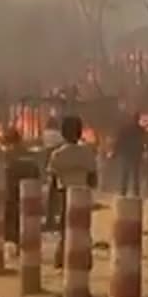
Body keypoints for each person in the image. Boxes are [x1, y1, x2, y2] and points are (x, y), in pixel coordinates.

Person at [46, 115, 98, 269]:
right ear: (80, 132)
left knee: (65, 230)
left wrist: (50, 209)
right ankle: (85, 260)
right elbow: (93, 179)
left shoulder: (57, 155)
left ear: (62, 133)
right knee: (83, 230)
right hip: (82, 196)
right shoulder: (87, 153)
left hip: (64, 196)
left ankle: (62, 259)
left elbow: (53, 183)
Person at [113, 113, 145, 197]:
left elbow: (119, 141)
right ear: (138, 119)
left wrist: (115, 152)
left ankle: (123, 193)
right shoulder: (140, 130)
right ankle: (136, 193)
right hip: (136, 154)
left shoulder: (124, 129)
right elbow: (143, 142)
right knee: (135, 175)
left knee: (125, 174)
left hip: (126, 154)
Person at [41, 117, 65, 231]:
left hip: (48, 163)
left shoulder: (45, 134)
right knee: (58, 194)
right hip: (59, 167)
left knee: (52, 192)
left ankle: (50, 219)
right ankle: (58, 219)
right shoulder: (59, 136)